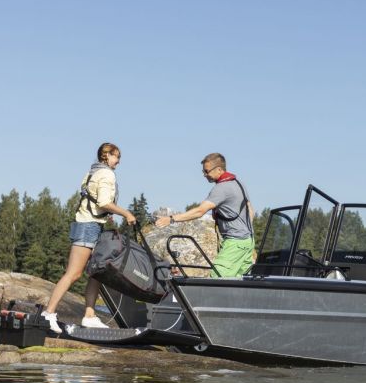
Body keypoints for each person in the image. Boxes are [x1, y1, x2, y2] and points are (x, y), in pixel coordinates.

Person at [42, 142, 136, 334]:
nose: (118, 161)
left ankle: (90, 316)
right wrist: (126, 213)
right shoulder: (106, 174)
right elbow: (103, 202)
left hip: (92, 224)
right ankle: (48, 313)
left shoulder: (92, 172)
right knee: (74, 273)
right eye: (116, 157)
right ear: (106, 156)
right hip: (88, 226)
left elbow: (93, 200)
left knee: (97, 272)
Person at [155, 152, 254, 277]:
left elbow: (200, 211)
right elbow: (251, 211)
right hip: (248, 242)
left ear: (219, 169)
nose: (204, 175)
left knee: (217, 279)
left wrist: (171, 219)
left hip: (235, 243)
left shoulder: (221, 188)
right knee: (238, 283)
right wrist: (245, 235)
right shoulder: (238, 182)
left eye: (206, 171)